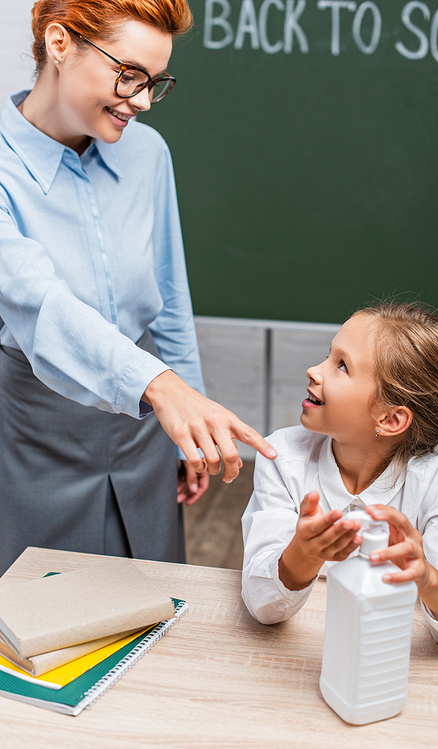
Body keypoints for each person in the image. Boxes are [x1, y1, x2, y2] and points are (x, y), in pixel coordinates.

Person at [0, 0, 276, 576]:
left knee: (149, 597)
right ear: (59, 44)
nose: (143, 100)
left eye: (155, 82)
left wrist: (186, 429)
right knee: (40, 620)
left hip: (144, 430)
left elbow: (169, 300)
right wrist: (165, 389)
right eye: (129, 75)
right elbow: (38, 302)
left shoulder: (148, 154)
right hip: (32, 433)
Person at [241, 303, 438, 649]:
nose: (314, 371)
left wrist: (427, 577)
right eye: (328, 355)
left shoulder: (432, 480)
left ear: (390, 419)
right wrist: (304, 554)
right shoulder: (282, 457)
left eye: (341, 366)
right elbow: (263, 607)